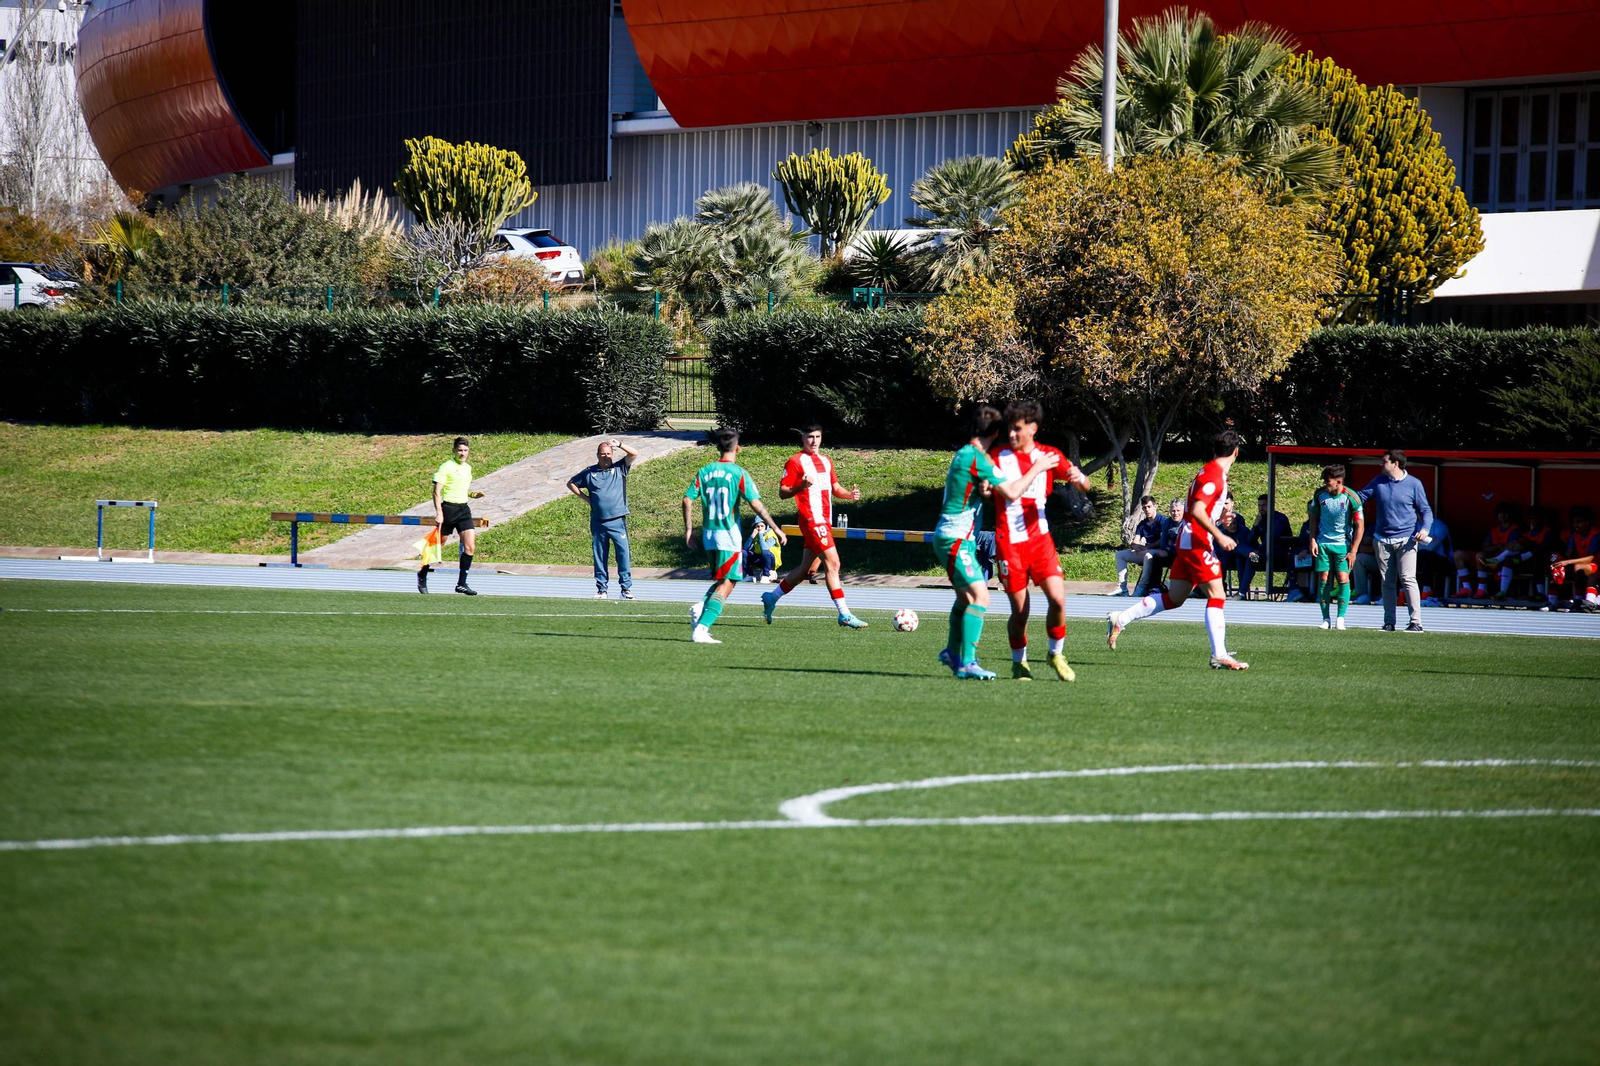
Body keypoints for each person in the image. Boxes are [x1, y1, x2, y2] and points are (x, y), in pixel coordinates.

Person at [932, 404, 1059, 680]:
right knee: (981, 597)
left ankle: (952, 652)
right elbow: (1012, 492)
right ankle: (968, 662)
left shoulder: (966, 454)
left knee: (965, 599)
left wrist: (984, 491)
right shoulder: (978, 458)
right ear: (996, 432)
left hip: (958, 538)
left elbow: (979, 491)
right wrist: (1037, 467)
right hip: (954, 539)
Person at [1106, 430, 1250, 670]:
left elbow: (1200, 509)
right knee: (1217, 595)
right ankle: (1219, 654)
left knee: (1175, 598)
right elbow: (1197, 510)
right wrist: (1219, 534)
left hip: (1188, 539)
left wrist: (1218, 519)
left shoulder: (1208, 471)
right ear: (1236, 452)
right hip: (1197, 541)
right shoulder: (1214, 476)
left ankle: (1122, 618)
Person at [989, 399, 1093, 681]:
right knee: (1020, 611)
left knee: (1058, 599)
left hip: (1040, 542)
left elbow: (1084, 484)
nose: (1011, 434)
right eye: (1009, 428)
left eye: (1017, 429)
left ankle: (1055, 653)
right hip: (1009, 544)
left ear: (1033, 428)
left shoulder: (1049, 454)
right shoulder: (997, 457)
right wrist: (1036, 468)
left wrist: (1079, 478)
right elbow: (1009, 492)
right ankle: (1019, 663)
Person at [682, 427, 786, 644]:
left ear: (718, 447)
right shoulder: (738, 473)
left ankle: (701, 606)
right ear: (737, 447)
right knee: (730, 581)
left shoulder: (705, 471)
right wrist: (775, 528)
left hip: (709, 535)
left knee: (724, 579)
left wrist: (689, 530)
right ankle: (702, 628)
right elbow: (755, 504)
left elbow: (687, 499)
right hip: (727, 535)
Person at [761, 423, 867, 629]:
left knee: (806, 570)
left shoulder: (826, 461)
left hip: (825, 520)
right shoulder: (795, 461)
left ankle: (771, 597)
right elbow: (783, 492)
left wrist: (849, 495)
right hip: (811, 519)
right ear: (802, 438)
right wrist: (801, 486)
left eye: (817, 436)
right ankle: (844, 614)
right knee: (833, 564)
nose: (814, 441)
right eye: (810, 436)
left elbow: (835, 487)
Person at [1356, 448, 1435, 632]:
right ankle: (1389, 622)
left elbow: (1425, 510)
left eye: (1384, 461)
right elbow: (1360, 497)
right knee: (1387, 582)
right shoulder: (1379, 481)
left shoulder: (1414, 484)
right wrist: (1342, 494)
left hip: (1406, 540)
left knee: (1408, 579)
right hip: (1382, 539)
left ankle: (1416, 622)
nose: (1381, 464)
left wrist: (1424, 529)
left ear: (1395, 464)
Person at [567, 437, 640, 600]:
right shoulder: (589, 472)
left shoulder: (620, 468)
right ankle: (602, 590)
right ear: (597, 455)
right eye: (603, 454)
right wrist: (587, 499)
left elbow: (634, 453)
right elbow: (571, 483)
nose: (606, 456)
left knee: (623, 555)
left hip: (617, 520)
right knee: (600, 556)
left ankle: (625, 589)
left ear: (612, 454)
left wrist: (619, 444)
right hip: (598, 521)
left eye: (608, 453)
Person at [419, 436, 484, 596]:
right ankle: (422, 574)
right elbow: (436, 492)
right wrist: (439, 513)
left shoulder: (467, 468)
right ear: (454, 451)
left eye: (465, 450)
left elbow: (460, 488)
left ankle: (461, 584)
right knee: (437, 546)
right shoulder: (446, 467)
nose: (463, 453)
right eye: (460, 450)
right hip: (448, 509)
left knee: (470, 547)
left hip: (464, 510)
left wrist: (472, 494)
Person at [1309, 464, 1365, 630]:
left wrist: (1353, 551)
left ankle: (1341, 618)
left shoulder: (1352, 498)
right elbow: (1313, 517)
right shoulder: (1320, 494)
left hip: (1343, 545)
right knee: (1324, 578)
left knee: (1343, 578)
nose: (1325, 484)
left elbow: (1360, 526)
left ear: (1338, 482)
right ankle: (1326, 619)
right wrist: (1313, 540)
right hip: (1323, 543)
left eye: (1328, 481)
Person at [1452, 501, 1521, 601]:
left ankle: (1482, 589)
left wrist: (1494, 548)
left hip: (1501, 562)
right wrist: (1498, 546)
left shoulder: (1515, 530)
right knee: (1458, 554)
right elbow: (1485, 547)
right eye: (1500, 513)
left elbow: (1510, 548)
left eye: (1505, 513)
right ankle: (1467, 588)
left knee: (1480, 556)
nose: (1503, 516)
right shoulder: (1494, 530)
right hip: (1488, 559)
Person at [1494, 505, 1554, 603]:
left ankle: (1541, 593)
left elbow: (1544, 547)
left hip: (1541, 563)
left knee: (1538, 558)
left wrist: (1525, 554)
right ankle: (1503, 592)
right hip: (1524, 562)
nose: (1534, 521)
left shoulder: (1548, 532)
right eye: (1532, 519)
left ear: (1543, 519)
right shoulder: (1527, 534)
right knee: (1509, 560)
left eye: (1537, 519)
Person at [1548, 504, 1600, 611]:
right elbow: (1569, 554)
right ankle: (1553, 602)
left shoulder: (1595, 534)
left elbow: (1590, 558)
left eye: (1579, 522)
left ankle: (1589, 602)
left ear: (1587, 522)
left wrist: (1568, 562)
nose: (1576, 525)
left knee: (1581, 568)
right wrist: (1559, 560)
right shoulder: (1574, 534)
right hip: (1582, 564)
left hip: (1596, 565)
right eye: (1574, 522)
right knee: (1557, 569)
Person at [1112, 496, 1164, 597]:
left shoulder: (1162, 521)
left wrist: (1147, 547)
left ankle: (1141, 587)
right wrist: (1134, 546)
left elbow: (1162, 540)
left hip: (1157, 553)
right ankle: (1122, 587)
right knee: (1120, 555)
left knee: (1148, 555)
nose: (1147, 510)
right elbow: (1136, 540)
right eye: (1144, 507)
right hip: (1145, 551)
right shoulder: (1142, 524)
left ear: (1155, 506)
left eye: (1149, 507)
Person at [1132, 498, 1184, 598]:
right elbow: (1163, 543)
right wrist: (1173, 544)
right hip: (1171, 552)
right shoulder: (1167, 523)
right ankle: (1154, 587)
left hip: (1184, 553)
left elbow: (1186, 542)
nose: (1175, 513)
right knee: (1157, 555)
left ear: (1183, 511)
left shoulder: (1187, 523)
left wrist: (1173, 543)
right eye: (1173, 511)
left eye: (1178, 511)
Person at [1247, 494, 1294, 599]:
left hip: (1280, 556)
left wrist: (1258, 550)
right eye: (1259, 505)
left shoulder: (1280, 519)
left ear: (1271, 505)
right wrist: (1255, 525)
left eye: (1264, 505)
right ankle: (1242, 591)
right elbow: (1250, 540)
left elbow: (1272, 538)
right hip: (1265, 555)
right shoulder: (1260, 520)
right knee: (1249, 558)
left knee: (1254, 556)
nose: (1261, 508)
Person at [1215, 495, 1254, 595]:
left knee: (1239, 558)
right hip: (1223, 551)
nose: (1224, 506)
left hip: (1236, 552)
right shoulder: (1216, 519)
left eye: (1226, 503)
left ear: (1232, 504)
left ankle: (1241, 592)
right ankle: (1217, 589)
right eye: (1222, 503)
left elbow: (1242, 535)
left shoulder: (1238, 518)